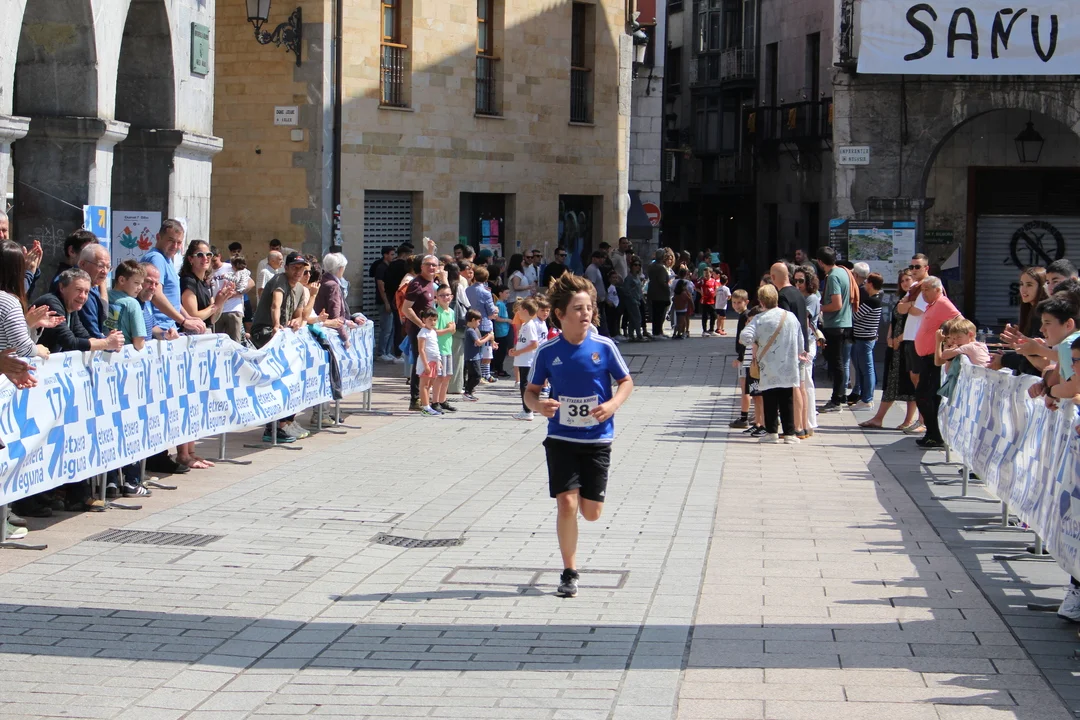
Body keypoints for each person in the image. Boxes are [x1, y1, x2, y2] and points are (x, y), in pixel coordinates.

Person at [524, 272, 634, 598]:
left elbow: (626, 382)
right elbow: (530, 391)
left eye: (589, 308)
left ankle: (589, 505)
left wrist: (612, 404)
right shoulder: (548, 351)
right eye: (578, 308)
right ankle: (569, 571)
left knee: (591, 513)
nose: (586, 313)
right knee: (567, 503)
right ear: (560, 314)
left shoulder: (604, 346)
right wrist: (538, 405)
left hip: (597, 439)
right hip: (561, 439)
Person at [250, 252, 310, 442]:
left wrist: (296, 322)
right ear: (286, 268)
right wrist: (276, 325)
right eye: (295, 268)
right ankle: (273, 426)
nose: (298, 272)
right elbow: (276, 305)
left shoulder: (300, 289)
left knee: (292, 377)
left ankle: (286, 421)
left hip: (283, 336)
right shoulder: (279, 280)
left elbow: (299, 314)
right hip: (265, 332)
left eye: (302, 269)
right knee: (277, 378)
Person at [740, 284, 802, 443]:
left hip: (768, 365)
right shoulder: (790, 317)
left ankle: (772, 432)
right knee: (787, 398)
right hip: (788, 364)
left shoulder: (759, 319)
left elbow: (745, 336)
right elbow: (800, 340)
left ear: (761, 301)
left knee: (770, 399)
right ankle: (789, 434)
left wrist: (754, 342)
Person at [860, 269, 918, 431]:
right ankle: (879, 418)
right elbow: (894, 320)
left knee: (910, 385)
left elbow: (915, 325)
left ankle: (908, 420)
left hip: (908, 346)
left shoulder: (917, 300)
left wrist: (899, 339)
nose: (905, 283)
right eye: (902, 281)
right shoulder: (901, 299)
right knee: (891, 382)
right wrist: (889, 337)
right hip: (894, 347)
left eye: (908, 279)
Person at [913, 276, 961, 448]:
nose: (923, 293)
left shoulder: (943, 303)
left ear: (938, 290)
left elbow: (960, 321)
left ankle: (935, 434)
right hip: (926, 358)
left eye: (927, 289)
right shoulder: (933, 305)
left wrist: (950, 342)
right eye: (922, 290)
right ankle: (932, 433)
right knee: (925, 397)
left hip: (933, 359)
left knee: (926, 397)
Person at [896, 253, 931, 426]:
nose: (914, 270)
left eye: (918, 267)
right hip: (910, 337)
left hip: (921, 338)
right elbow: (900, 308)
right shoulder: (914, 287)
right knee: (914, 379)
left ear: (926, 268)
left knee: (921, 380)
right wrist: (911, 304)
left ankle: (924, 421)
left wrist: (909, 305)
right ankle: (921, 419)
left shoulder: (929, 285)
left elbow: (919, 310)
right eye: (912, 267)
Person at [996, 267, 1050, 377]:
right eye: (1021, 284)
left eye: (1029, 285)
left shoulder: (1042, 313)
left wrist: (1004, 359)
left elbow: (1036, 355)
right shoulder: (1030, 311)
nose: (1023, 289)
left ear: (1042, 287)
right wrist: (1019, 338)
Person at [816, 247, 853, 412]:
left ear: (820, 262)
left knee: (836, 363)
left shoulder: (832, 276)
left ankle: (836, 400)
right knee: (840, 362)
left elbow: (836, 304)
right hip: (844, 322)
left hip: (835, 324)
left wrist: (820, 308)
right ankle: (841, 395)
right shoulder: (843, 272)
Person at [402, 255, 440, 410]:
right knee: (420, 361)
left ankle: (424, 397)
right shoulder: (416, 283)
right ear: (422, 266)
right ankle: (416, 399)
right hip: (418, 331)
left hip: (428, 329)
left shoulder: (431, 282)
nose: (431, 268)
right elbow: (406, 308)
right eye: (428, 264)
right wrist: (422, 324)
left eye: (434, 265)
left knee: (428, 359)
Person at [851, 272, 884, 410]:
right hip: (865, 338)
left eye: (866, 282)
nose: (864, 285)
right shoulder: (875, 299)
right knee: (864, 369)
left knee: (867, 370)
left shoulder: (872, 301)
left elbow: (855, 316)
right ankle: (865, 398)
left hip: (865, 339)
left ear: (870, 284)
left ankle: (867, 399)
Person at [465, 265, 499, 383]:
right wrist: (495, 310)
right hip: (484, 322)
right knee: (486, 351)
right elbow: (491, 310)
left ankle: (477, 374)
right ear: (486, 279)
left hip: (471, 321)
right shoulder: (486, 292)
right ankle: (484, 374)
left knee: (473, 350)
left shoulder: (467, 290)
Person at [510, 298, 541, 421]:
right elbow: (523, 342)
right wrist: (515, 349)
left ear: (525, 311)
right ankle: (527, 409)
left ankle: (528, 411)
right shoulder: (524, 325)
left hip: (527, 360)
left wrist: (519, 352)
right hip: (522, 359)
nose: (518, 312)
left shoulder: (530, 325)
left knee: (525, 385)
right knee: (523, 385)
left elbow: (534, 344)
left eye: (519, 310)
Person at [729, 290, 752, 428]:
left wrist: (740, 357)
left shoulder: (745, 316)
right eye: (734, 302)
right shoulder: (744, 315)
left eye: (739, 302)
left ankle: (744, 417)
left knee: (745, 388)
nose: (736, 305)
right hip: (746, 356)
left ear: (746, 302)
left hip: (746, 357)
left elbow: (744, 339)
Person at [47, 230, 96, 296]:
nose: (93, 259)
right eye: (87, 253)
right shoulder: (65, 280)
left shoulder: (90, 278)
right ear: (72, 251)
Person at [432, 285, 457, 413]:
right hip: (439, 349)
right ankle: (435, 401)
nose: (445, 298)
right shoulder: (437, 312)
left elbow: (452, 330)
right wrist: (449, 329)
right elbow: (435, 331)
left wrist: (451, 329)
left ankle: (443, 400)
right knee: (440, 377)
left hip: (448, 348)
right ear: (436, 298)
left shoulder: (451, 312)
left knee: (448, 376)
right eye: (442, 295)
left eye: (447, 295)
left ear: (451, 296)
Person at [414, 308, 442, 416]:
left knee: (429, 385)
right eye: (430, 319)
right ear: (424, 319)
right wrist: (426, 365)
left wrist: (439, 361)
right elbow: (421, 350)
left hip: (434, 361)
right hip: (426, 362)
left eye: (435, 320)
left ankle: (428, 406)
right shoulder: (423, 333)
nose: (433, 322)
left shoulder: (433, 332)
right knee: (424, 385)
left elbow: (435, 347)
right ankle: (425, 408)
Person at [371, 245, 397, 360]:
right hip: (383, 302)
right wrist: (386, 302)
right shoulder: (381, 268)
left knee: (391, 328)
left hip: (390, 301)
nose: (393, 257)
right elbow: (381, 286)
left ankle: (387, 351)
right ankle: (381, 352)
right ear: (385, 255)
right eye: (391, 254)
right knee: (386, 328)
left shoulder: (389, 267)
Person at [462, 309, 491, 402]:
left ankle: (469, 392)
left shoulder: (474, 330)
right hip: (472, 357)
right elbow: (478, 343)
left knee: (472, 375)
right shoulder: (470, 330)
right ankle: (467, 391)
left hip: (476, 356)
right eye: (478, 321)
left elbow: (478, 340)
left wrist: (486, 337)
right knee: (477, 376)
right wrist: (488, 338)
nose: (479, 324)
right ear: (473, 320)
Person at [647, 250, 671, 338]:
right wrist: (667, 289)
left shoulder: (651, 266)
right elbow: (662, 281)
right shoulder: (660, 268)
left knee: (655, 313)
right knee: (660, 313)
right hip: (660, 293)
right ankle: (657, 332)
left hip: (652, 291)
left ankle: (658, 331)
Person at [618, 260, 645, 342]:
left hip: (637, 299)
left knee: (633, 319)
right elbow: (626, 290)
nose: (637, 267)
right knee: (637, 318)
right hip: (631, 301)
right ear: (631, 267)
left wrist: (641, 298)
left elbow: (639, 289)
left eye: (639, 265)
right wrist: (632, 299)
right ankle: (639, 335)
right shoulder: (629, 278)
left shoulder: (637, 277)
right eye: (635, 265)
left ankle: (631, 335)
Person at [584, 250, 610, 336]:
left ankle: (605, 336)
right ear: (593, 259)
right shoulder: (591, 269)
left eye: (603, 258)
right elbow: (591, 284)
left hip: (600, 299)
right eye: (599, 258)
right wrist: (595, 296)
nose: (601, 260)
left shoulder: (597, 269)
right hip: (596, 300)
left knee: (602, 319)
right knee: (598, 319)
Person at [672, 271, 693, 339]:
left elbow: (672, 291)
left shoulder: (675, 283)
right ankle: (683, 332)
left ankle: (676, 332)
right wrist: (692, 306)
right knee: (683, 320)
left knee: (677, 321)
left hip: (677, 308)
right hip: (684, 308)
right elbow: (690, 294)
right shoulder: (687, 284)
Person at [700, 267, 718, 336]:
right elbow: (695, 286)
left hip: (712, 301)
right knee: (705, 316)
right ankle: (704, 331)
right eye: (704, 274)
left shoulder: (713, 281)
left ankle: (711, 329)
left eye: (707, 274)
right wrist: (701, 292)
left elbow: (716, 288)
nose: (706, 275)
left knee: (713, 315)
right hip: (704, 301)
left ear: (711, 273)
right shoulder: (702, 281)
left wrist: (714, 294)